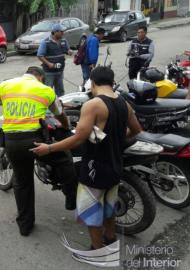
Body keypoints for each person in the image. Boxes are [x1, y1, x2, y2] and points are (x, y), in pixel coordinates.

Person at [30, 67, 141, 262]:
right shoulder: (124, 103)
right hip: (115, 165)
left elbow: (78, 139)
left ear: (93, 83)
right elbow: (135, 129)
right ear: (112, 82)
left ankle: (97, 252)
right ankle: (110, 239)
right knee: (109, 207)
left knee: (92, 213)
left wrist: (49, 148)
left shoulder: (94, 105)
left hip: (94, 169)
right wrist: (114, 140)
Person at [0, 66, 77, 236]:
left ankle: (25, 226)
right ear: (40, 78)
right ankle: (71, 198)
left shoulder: (6, 85)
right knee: (64, 158)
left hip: (10, 142)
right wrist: (66, 126)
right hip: (34, 141)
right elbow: (60, 113)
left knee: (22, 181)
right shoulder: (45, 90)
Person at [37, 24, 73, 97]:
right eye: (61, 31)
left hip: (60, 72)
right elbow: (40, 55)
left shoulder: (63, 40)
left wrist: (69, 51)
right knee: (47, 92)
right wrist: (49, 64)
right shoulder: (46, 42)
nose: (63, 33)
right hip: (48, 73)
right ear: (56, 32)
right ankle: (47, 107)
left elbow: (67, 50)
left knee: (60, 91)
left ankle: (60, 106)